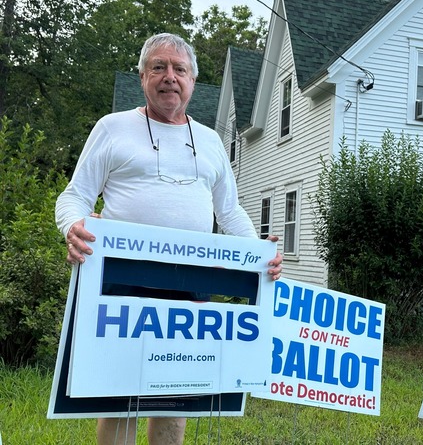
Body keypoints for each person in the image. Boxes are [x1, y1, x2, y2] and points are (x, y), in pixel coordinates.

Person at [55, 32, 283, 445]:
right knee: (118, 393)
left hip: (192, 283)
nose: (169, 77)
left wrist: (259, 253)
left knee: (175, 392)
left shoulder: (211, 141)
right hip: (121, 279)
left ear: (193, 81)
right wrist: (73, 225)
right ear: (143, 76)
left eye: (179, 69)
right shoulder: (113, 128)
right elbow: (75, 196)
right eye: (158, 67)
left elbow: (228, 210)